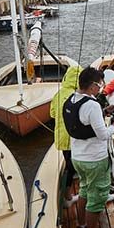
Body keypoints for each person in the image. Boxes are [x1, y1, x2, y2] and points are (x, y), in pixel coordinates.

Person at [62, 67, 114, 228]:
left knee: (84, 191)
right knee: (96, 199)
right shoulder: (92, 105)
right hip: (95, 160)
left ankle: (81, 227)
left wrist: (105, 111)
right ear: (93, 86)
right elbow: (103, 135)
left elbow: (83, 123)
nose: (101, 89)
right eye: (100, 85)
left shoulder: (71, 101)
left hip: (78, 158)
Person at [50, 65, 82, 199]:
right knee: (74, 167)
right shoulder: (78, 96)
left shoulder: (58, 93)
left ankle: (67, 194)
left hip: (62, 137)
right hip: (74, 138)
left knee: (69, 165)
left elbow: (52, 114)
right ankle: (68, 196)